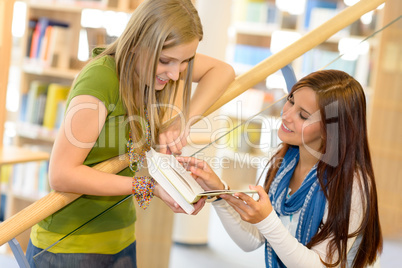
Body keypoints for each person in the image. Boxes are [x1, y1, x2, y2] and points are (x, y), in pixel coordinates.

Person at [25, 0, 235, 267]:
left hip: (122, 237)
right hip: (69, 245)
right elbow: (61, 174)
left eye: (185, 62)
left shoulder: (150, 75)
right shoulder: (101, 79)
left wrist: (184, 120)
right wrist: (148, 187)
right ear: (137, 42)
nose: (174, 74)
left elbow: (224, 71)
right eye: (165, 60)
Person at [178, 69, 383, 268]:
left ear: (331, 129)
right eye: (291, 100)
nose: (286, 115)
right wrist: (219, 193)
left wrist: (267, 220)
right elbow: (252, 240)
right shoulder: (285, 162)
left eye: (303, 115)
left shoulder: (352, 182)